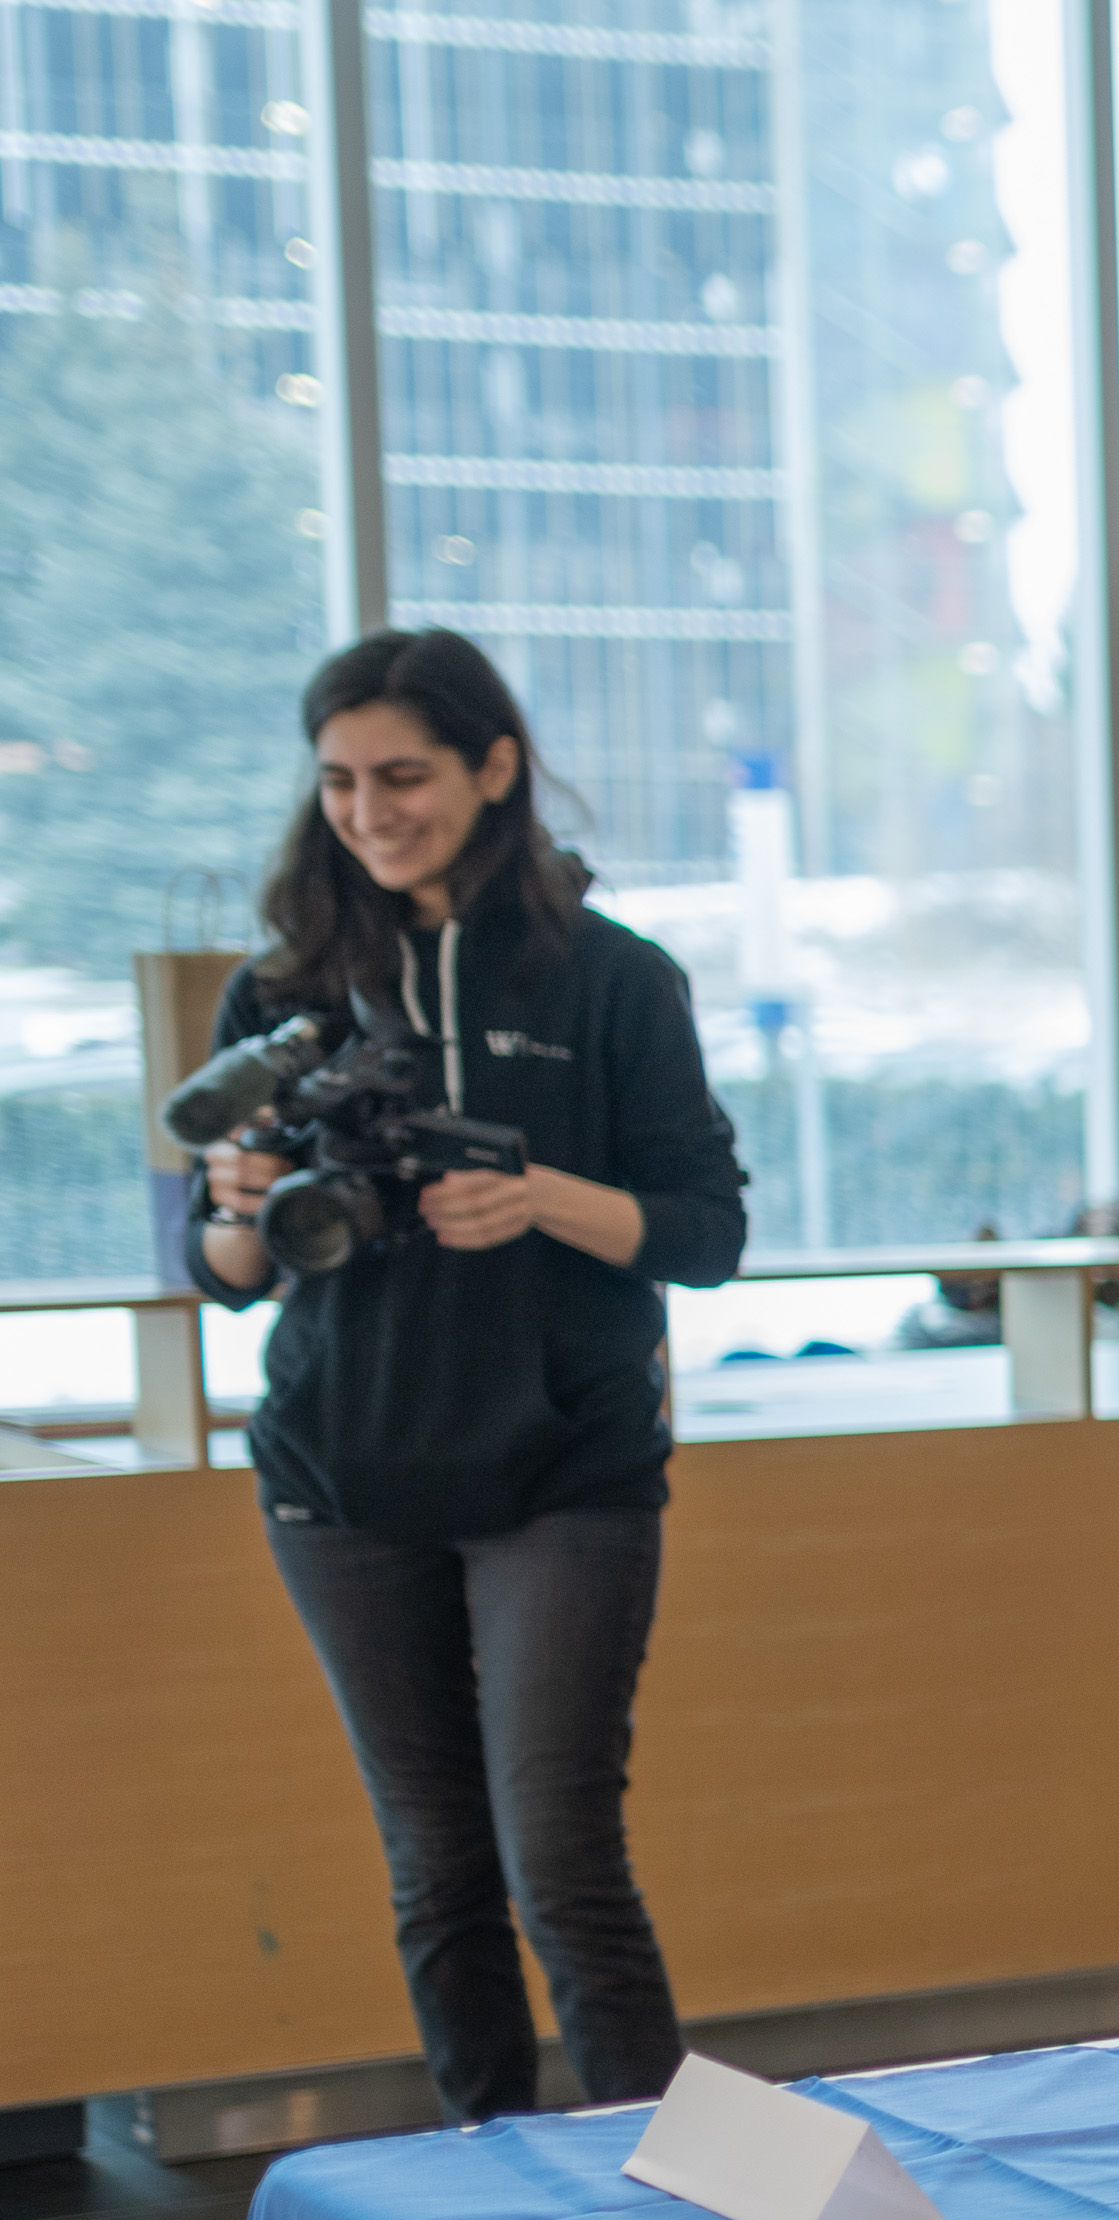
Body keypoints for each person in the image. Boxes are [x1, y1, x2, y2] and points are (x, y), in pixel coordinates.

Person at [192, 628, 748, 2125]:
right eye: (341, 782)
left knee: (559, 1861)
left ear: (495, 770)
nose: (371, 812)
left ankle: (671, 2190)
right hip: (340, 1480)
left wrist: (539, 1198)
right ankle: (490, 2192)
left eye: (405, 775)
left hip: (562, 1474)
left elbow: (706, 1232)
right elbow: (222, 1274)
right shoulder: (280, 993)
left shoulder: (612, 979)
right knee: (436, 1870)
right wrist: (242, 1205)